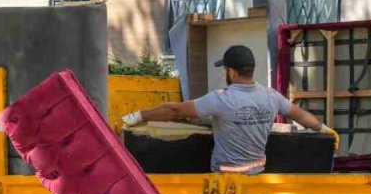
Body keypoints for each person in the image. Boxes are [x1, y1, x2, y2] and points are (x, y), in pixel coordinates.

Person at [122, 45, 337, 174]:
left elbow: (175, 111)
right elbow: (299, 115)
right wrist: (325, 129)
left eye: (225, 69)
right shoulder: (271, 96)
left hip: (225, 179)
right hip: (257, 173)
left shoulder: (220, 100)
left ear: (232, 73)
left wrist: (138, 116)